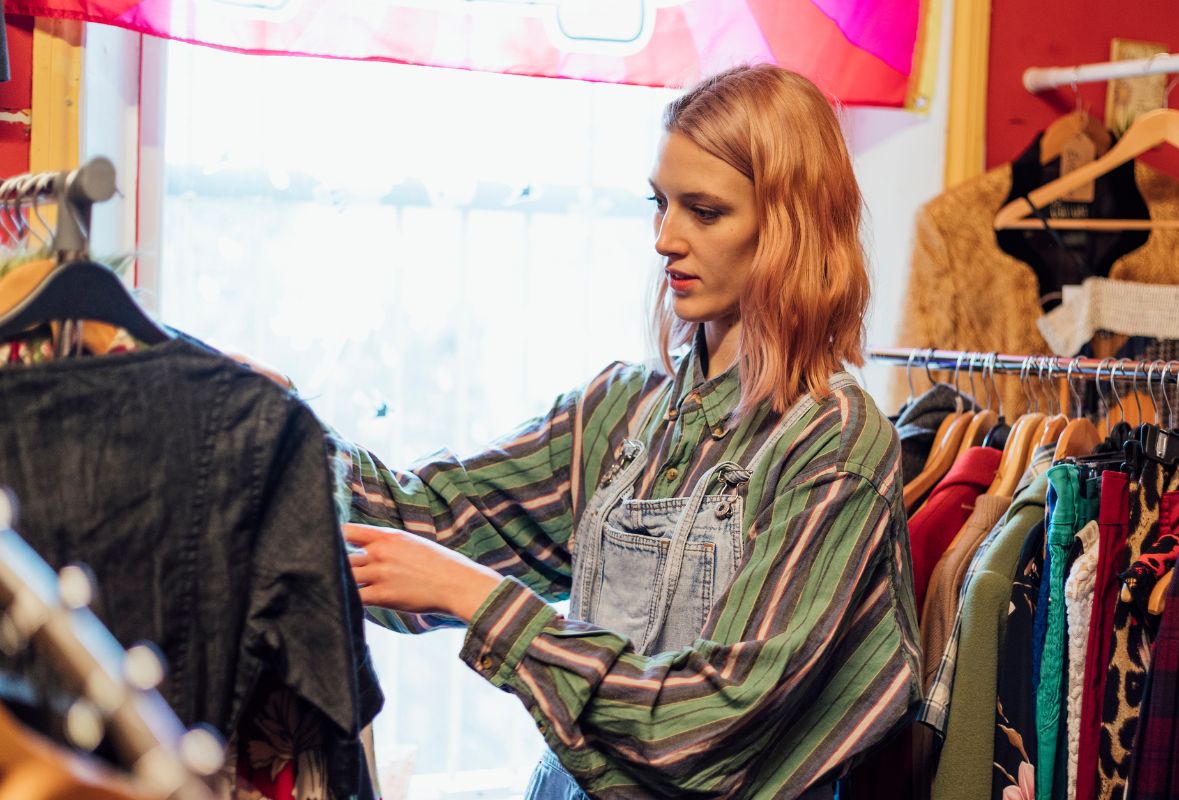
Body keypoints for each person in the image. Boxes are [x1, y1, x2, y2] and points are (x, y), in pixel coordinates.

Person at [336, 64, 921, 798]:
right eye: (660, 203)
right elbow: (431, 517)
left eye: (704, 212)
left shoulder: (832, 445)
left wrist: (483, 602)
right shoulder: (622, 408)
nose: (664, 239)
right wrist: (264, 427)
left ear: (789, 227)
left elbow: (710, 723)